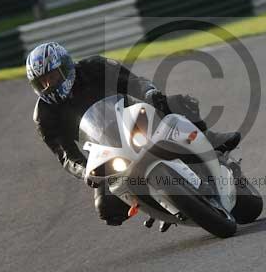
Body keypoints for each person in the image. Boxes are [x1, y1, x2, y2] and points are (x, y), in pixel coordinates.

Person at [26, 42, 241, 226]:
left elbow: (135, 82)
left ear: (66, 67)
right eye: (42, 82)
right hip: (105, 150)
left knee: (174, 102)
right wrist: (85, 172)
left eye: (53, 77)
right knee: (107, 209)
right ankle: (159, 207)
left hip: (134, 118)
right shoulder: (44, 115)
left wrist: (150, 93)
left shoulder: (95, 67)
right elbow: (65, 156)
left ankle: (209, 139)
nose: (49, 85)